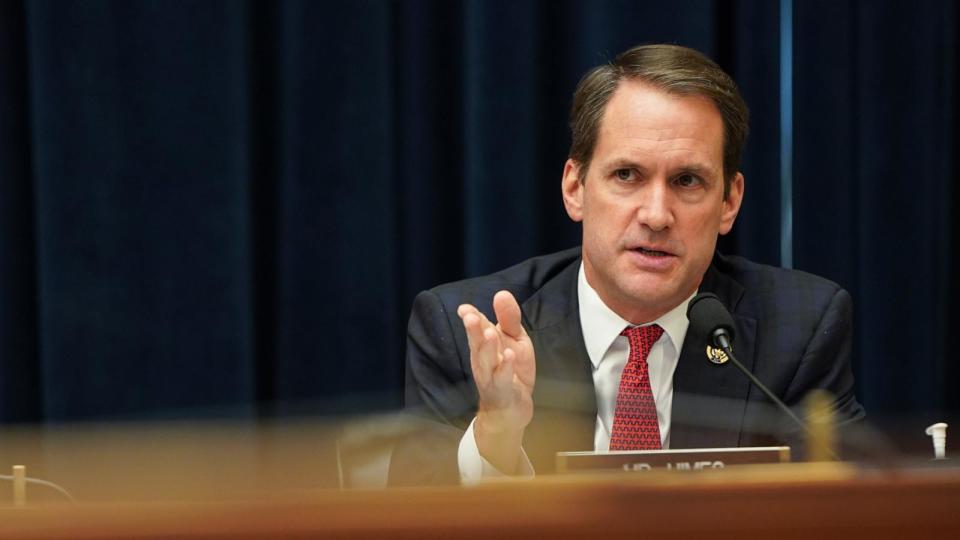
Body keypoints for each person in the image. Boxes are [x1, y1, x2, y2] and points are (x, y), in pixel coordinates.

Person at [389, 44, 864, 486]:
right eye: (627, 175)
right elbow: (407, 520)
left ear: (729, 202)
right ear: (575, 187)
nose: (656, 215)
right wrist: (496, 435)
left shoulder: (800, 329)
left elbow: (842, 514)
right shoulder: (468, 333)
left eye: (687, 180)